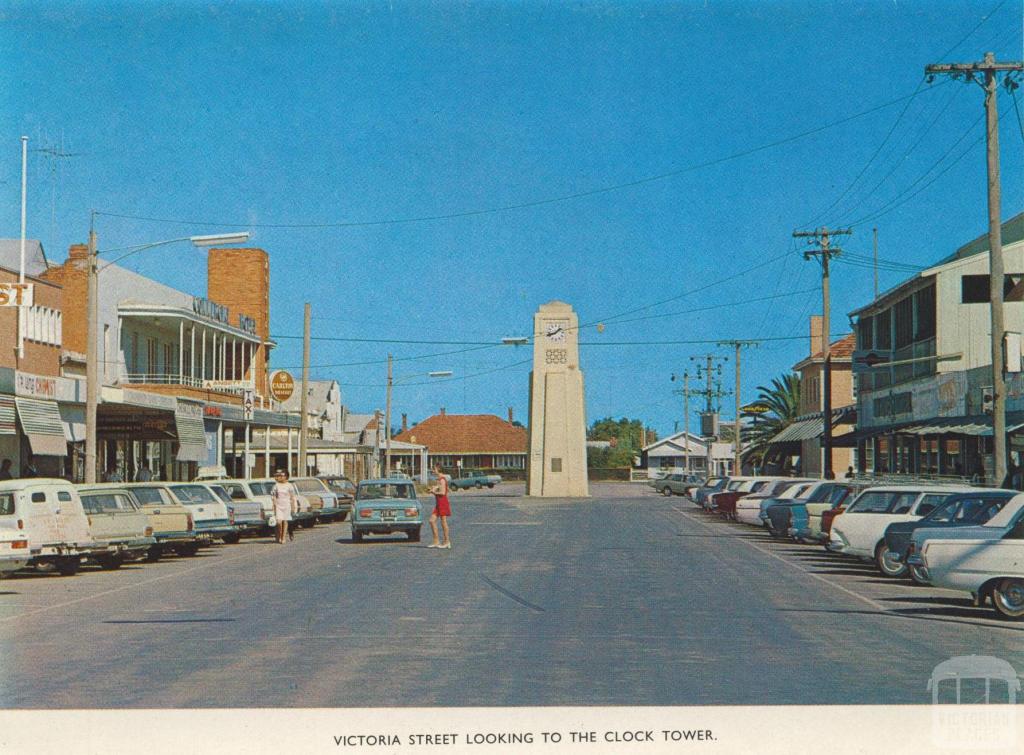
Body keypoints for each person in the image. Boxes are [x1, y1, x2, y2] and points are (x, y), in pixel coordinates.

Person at [427, 465, 452, 549]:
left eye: (434, 469)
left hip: (442, 502)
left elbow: (442, 492)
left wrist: (433, 492)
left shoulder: (442, 480)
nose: (433, 470)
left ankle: (447, 541)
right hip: (438, 503)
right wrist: (433, 489)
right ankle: (436, 541)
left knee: (443, 522)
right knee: (432, 520)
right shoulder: (439, 480)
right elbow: (443, 489)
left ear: (439, 470)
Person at [271, 469, 298, 544]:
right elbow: (274, 496)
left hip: (286, 505)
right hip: (279, 505)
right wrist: (274, 505)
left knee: (285, 521)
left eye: (282, 476)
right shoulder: (276, 485)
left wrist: (293, 507)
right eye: (279, 476)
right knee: (279, 522)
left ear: (286, 477)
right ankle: (279, 535)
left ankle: (283, 537)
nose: (280, 477)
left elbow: (292, 497)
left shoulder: (289, 486)